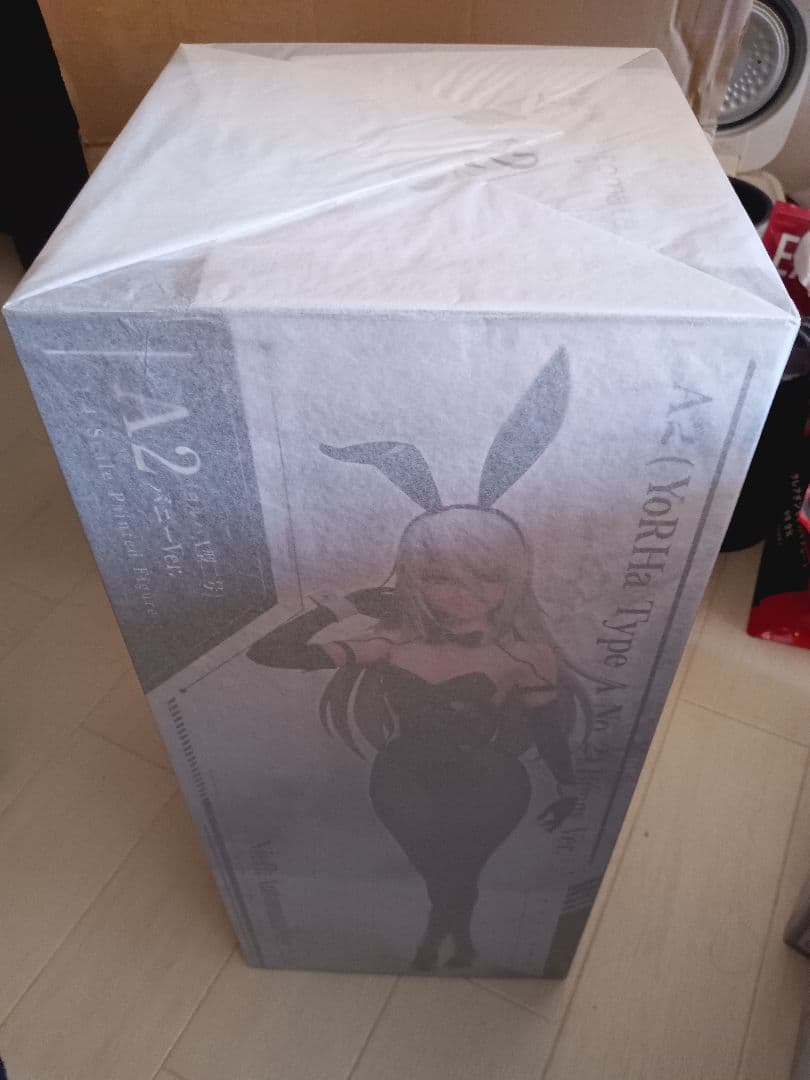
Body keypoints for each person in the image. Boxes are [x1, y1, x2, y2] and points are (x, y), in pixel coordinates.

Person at [248, 503, 584, 970]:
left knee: (460, 868)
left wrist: (568, 787)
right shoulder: (391, 642)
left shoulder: (525, 655)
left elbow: (546, 727)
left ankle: (438, 940)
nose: (464, 592)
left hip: (490, 782)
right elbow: (268, 652)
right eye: (440, 577)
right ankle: (455, 939)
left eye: (486, 576)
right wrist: (346, 605)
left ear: (513, 580)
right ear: (413, 580)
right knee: (437, 868)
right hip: (401, 777)